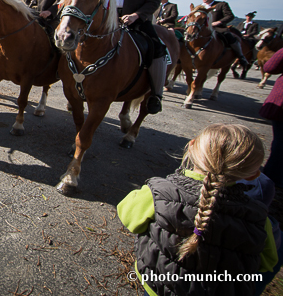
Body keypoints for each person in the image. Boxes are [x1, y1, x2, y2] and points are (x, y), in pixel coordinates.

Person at [118, 124, 279, 296]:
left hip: (159, 285)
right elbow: (267, 262)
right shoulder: (258, 217)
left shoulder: (160, 192)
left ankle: (155, 96)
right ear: (253, 175)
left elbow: (128, 217)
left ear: (191, 147)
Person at [109, 0, 166, 114]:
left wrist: (136, 15)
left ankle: (156, 94)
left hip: (136, 22)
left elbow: (154, 1)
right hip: (110, 20)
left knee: (158, 48)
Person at [200, 0, 249, 66]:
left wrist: (218, 22)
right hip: (202, 29)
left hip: (218, 28)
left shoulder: (221, 4)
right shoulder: (200, 7)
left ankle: (240, 56)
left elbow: (230, 16)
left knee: (230, 37)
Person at [262, 48, 283, 188]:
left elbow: (270, 67)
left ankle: (242, 56)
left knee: (281, 142)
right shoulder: (241, 23)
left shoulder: (253, 24)